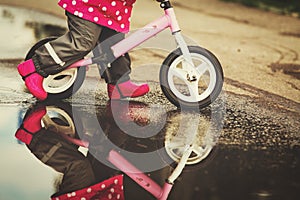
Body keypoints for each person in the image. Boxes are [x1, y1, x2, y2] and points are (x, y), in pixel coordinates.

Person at [17, 0, 149, 100]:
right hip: (88, 5)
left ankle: (120, 84)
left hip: (113, 9)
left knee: (115, 44)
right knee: (82, 42)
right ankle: (34, 68)